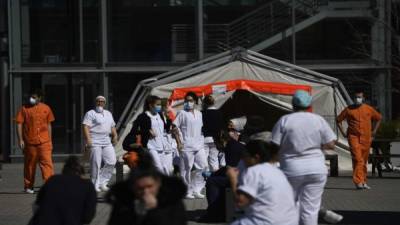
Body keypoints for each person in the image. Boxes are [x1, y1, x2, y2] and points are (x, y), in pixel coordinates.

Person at [271, 90, 337, 225]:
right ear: (309, 105)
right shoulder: (318, 120)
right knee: (310, 209)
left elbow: (274, 145)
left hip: (291, 169)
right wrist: (314, 145)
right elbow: (331, 144)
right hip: (316, 169)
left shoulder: (285, 120)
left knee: (289, 206)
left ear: (293, 105)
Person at [226, 140, 298, 225]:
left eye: (245, 156)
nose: (242, 159)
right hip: (290, 221)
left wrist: (233, 179)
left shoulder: (253, 171)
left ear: (256, 157)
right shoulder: (278, 172)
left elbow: (240, 203)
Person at [106, 152, 187, 225]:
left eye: (149, 186)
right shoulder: (123, 202)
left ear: (158, 183)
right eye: (140, 188)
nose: (145, 192)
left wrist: (154, 212)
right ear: (132, 187)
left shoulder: (172, 200)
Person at [28, 156, 97, 225]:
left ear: (64, 169)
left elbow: (36, 205)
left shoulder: (53, 180)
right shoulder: (87, 186)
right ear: (81, 171)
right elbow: (88, 216)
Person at [337, 90, 382, 189]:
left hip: (366, 138)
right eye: (356, 97)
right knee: (358, 159)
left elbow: (378, 118)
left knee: (363, 160)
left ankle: (363, 181)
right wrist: (344, 132)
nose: (358, 99)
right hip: (353, 137)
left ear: (363, 98)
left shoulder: (369, 109)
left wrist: (374, 131)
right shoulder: (348, 109)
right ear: (353, 99)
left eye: (360, 97)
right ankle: (358, 181)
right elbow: (338, 120)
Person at [122, 95, 176, 175]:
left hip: (162, 146)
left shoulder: (160, 115)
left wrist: (168, 120)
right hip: (151, 146)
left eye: (160, 105)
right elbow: (134, 130)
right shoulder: (143, 116)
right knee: (158, 168)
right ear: (150, 105)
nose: (159, 106)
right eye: (157, 104)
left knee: (166, 169)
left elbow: (165, 129)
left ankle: (161, 186)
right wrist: (147, 131)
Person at [15, 89, 55, 194]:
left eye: (34, 97)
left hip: (44, 142)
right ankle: (28, 186)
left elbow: (49, 125)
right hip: (30, 142)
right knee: (29, 165)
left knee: (47, 165)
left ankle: (49, 185)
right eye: (31, 96)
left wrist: (50, 140)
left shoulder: (46, 108)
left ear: (39, 98)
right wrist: (20, 139)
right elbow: (19, 124)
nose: (32, 99)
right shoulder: (24, 109)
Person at [174, 91, 208, 199]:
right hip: (186, 145)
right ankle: (187, 191)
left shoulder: (199, 113)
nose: (188, 103)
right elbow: (174, 128)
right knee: (186, 169)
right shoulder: (182, 113)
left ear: (195, 102)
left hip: (199, 144)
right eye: (186, 101)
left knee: (203, 166)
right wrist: (179, 143)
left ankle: (197, 189)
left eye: (190, 100)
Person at [83, 96, 118, 192]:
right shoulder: (90, 113)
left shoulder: (108, 113)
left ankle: (103, 182)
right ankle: (94, 184)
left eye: (102, 101)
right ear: (95, 102)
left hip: (107, 140)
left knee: (112, 161)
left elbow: (112, 126)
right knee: (96, 163)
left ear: (104, 103)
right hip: (94, 140)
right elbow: (86, 126)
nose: (100, 103)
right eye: (98, 101)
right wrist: (88, 139)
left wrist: (115, 135)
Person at [202, 95, 225, 172]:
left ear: (204, 103)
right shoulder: (219, 113)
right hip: (216, 138)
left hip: (205, 138)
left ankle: (204, 177)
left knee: (203, 159)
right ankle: (215, 176)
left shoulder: (202, 113)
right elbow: (221, 126)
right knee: (214, 159)